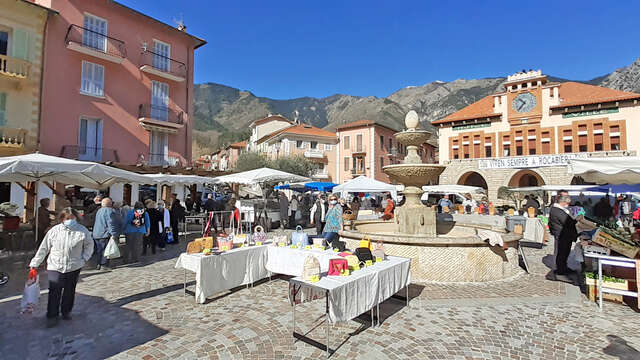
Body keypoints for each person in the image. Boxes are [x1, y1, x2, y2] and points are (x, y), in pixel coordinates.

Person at [29, 208, 93, 326]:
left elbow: (89, 245)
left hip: (74, 266)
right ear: (62, 219)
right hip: (55, 265)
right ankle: (52, 315)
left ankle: (66, 311)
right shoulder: (54, 231)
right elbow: (44, 248)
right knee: (54, 290)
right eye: (67, 218)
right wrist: (35, 263)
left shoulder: (82, 231)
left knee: (69, 290)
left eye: (72, 218)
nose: (70, 221)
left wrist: (84, 258)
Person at [548, 195, 578, 282]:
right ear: (563, 202)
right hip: (561, 235)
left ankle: (564, 268)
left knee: (565, 253)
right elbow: (566, 221)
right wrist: (576, 219)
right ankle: (560, 273)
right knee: (561, 253)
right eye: (567, 203)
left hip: (565, 234)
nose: (568, 205)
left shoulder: (560, 209)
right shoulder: (556, 210)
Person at [92, 198, 120, 270]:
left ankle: (98, 264)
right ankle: (104, 265)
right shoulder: (109, 211)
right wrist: (113, 233)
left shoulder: (99, 210)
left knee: (99, 250)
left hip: (96, 233)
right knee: (105, 250)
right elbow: (110, 223)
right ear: (110, 203)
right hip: (104, 234)